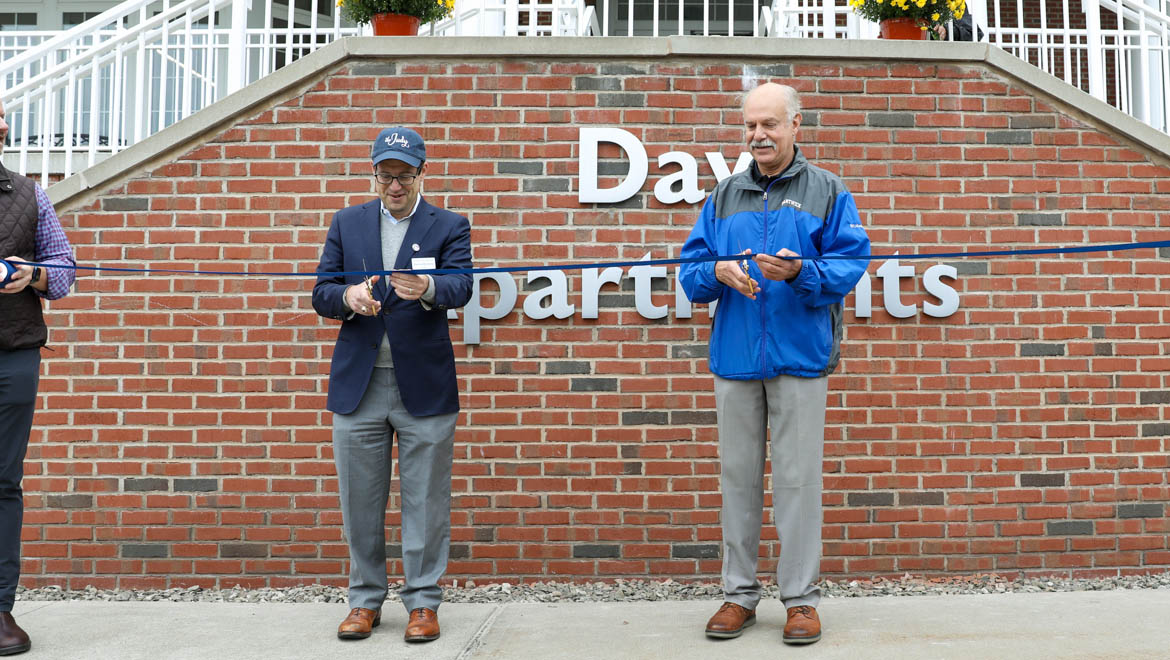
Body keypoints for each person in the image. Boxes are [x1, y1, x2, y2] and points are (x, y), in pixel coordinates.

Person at [679, 83, 870, 645]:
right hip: (735, 358)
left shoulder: (828, 190)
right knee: (737, 481)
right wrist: (717, 274)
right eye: (749, 126)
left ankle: (801, 601)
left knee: (796, 483)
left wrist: (802, 273)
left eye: (769, 124)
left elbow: (851, 263)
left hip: (800, 358)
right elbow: (691, 270)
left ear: (796, 126)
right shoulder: (723, 196)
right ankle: (738, 595)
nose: (758, 135)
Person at [312, 126, 472, 644]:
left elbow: (463, 285)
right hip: (359, 386)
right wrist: (348, 298)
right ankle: (364, 601)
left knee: (426, 499)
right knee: (360, 500)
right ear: (373, 174)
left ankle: (423, 603)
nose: (395, 186)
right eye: (385, 175)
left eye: (404, 176)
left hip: (423, 385)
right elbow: (321, 291)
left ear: (422, 173)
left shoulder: (449, 224)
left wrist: (428, 288)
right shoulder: (347, 222)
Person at [0, 98, 77, 656]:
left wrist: (33, 276)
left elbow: (65, 271)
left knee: (2, 484)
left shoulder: (31, 196)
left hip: (13, 356)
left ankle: (0, 609)